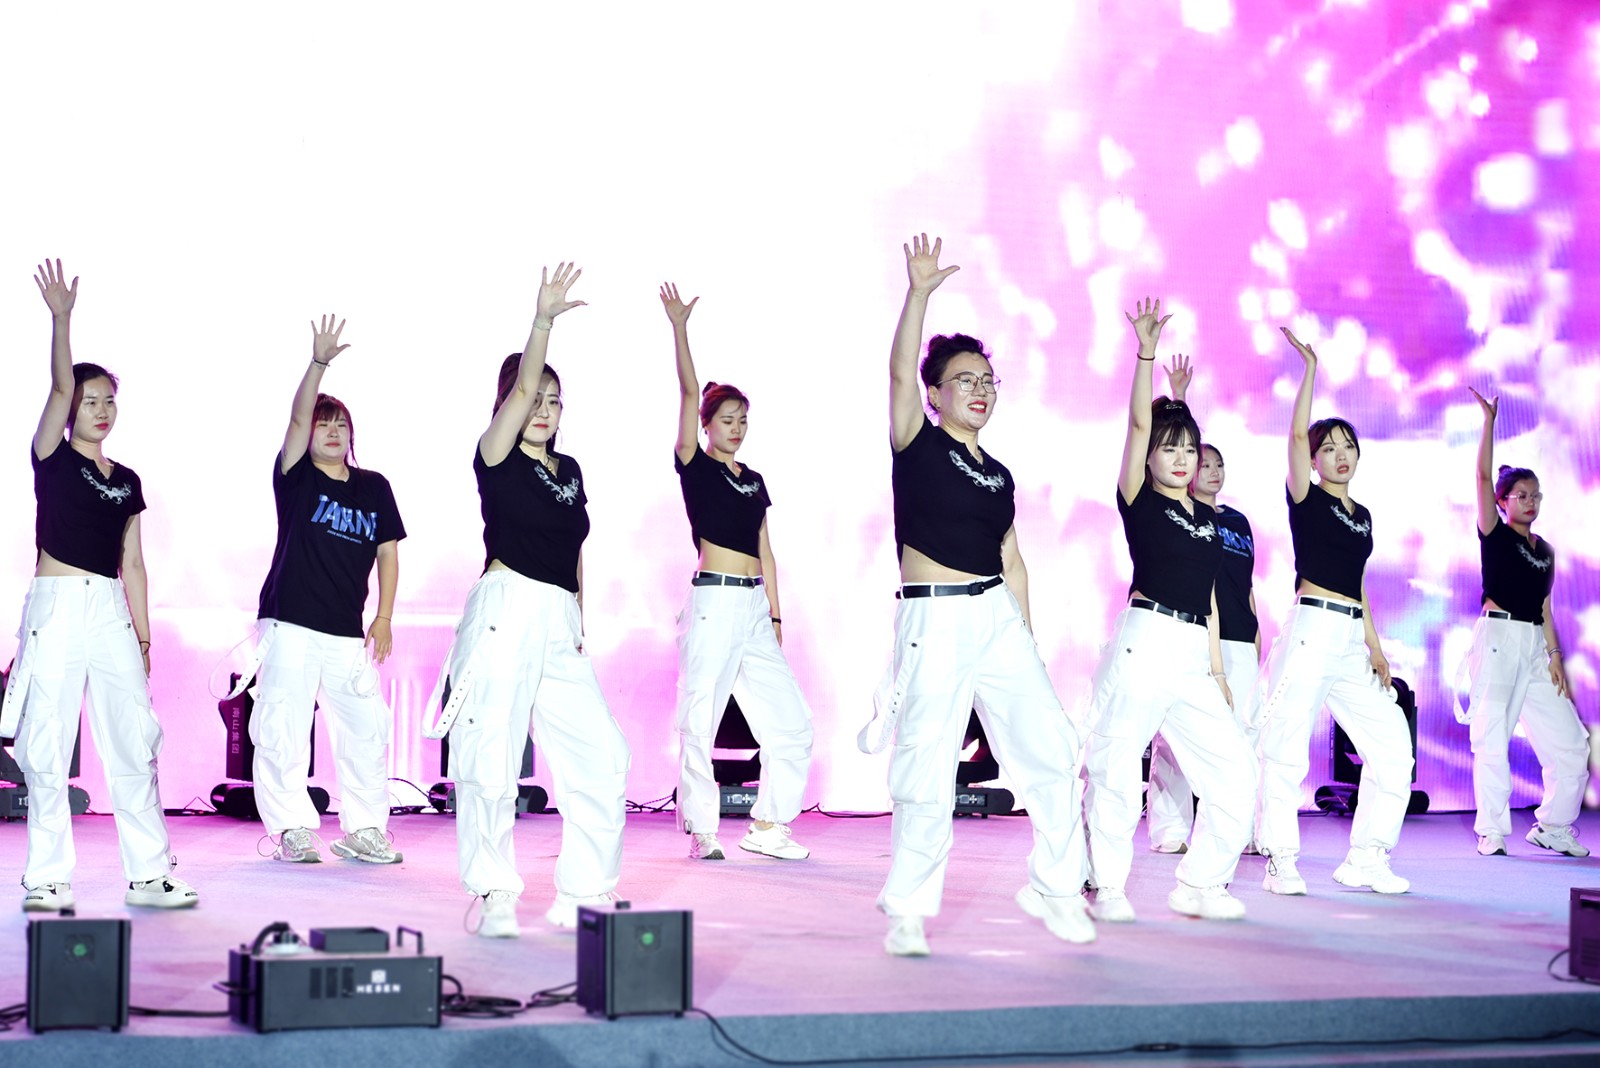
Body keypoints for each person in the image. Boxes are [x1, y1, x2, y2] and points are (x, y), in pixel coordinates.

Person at [871, 234, 1094, 957]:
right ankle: (909, 909)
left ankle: (1057, 888)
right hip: (934, 618)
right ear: (936, 395)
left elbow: (1013, 560)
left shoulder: (999, 475)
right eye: (964, 380)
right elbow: (898, 371)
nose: (980, 389)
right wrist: (918, 294)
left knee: (1052, 749)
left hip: (997, 616)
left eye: (988, 380)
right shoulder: (917, 442)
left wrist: (1025, 639)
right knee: (927, 767)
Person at [424, 263, 631, 939]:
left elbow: (576, 547)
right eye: (533, 398)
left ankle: (584, 891)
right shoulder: (495, 456)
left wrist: (579, 620)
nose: (543, 410)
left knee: (602, 753)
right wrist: (542, 322)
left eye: (555, 401)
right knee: (490, 756)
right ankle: (494, 891)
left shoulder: (569, 471)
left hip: (559, 620)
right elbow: (518, 395)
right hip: (505, 610)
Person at [4, 259, 197, 911]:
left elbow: (133, 563)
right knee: (47, 742)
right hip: (57, 606)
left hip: (110, 609)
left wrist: (142, 637)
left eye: (109, 400)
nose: (101, 409)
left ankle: (149, 874)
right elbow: (59, 386)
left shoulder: (127, 479)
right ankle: (47, 877)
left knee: (134, 740)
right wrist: (62, 320)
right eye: (91, 401)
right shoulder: (52, 458)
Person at [1080, 306, 1256, 923]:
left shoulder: (1208, 516)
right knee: (1116, 770)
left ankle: (1202, 883)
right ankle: (1108, 886)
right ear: (1148, 457)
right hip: (1144, 640)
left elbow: (1209, 598)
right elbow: (1138, 424)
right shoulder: (1139, 499)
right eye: (1168, 448)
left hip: (1192, 654)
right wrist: (1147, 357)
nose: (1181, 459)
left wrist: (1217, 668)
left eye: (1189, 449)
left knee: (1236, 772)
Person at [1254, 327, 1415, 896]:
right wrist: (1310, 372)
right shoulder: (1307, 498)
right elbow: (1295, 434)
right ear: (1314, 459)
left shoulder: (1363, 515)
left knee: (1393, 746)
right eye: (1329, 448)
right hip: (1311, 628)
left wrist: (1374, 646)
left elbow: (1359, 583)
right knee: (1286, 744)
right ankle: (1280, 858)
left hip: (1349, 636)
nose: (1340, 455)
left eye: (1348, 446)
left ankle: (1367, 857)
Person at [660, 283, 814, 862]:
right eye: (727, 419)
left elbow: (766, 550)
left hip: (752, 606)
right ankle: (702, 829)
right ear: (707, 424)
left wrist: (775, 613)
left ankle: (769, 823)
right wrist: (680, 328)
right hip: (713, 602)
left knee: (791, 721)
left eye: (743, 420)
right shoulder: (695, 466)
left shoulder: (753, 479)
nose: (737, 428)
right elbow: (687, 389)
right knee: (699, 717)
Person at [245, 315, 406, 865]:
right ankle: (291, 828)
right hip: (289, 620)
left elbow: (387, 552)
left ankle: (365, 828)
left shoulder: (374, 487)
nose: (332, 432)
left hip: (345, 630)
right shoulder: (297, 477)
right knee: (284, 728)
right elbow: (295, 418)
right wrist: (317, 364)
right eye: (323, 424)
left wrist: (383, 616)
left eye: (340, 425)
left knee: (366, 729)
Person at [1459, 387, 1590, 858]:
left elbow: (1546, 609)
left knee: (1572, 742)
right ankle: (1492, 830)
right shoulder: (1494, 534)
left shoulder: (1546, 550)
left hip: (1535, 644)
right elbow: (1480, 475)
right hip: (1498, 638)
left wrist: (1554, 656)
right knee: (1492, 736)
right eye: (1522, 495)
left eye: (1536, 495)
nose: (1531, 501)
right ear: (1502, 502)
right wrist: (1489, 423)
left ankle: (1553, 825)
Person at [1145, 356, 1262, 855]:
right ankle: (1170, 827)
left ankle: (1237, 828)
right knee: (1175, 738)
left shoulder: (1237, 520)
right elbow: (1169, 440)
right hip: (1193, 635)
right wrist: (1178, 396)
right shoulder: (1185, 515)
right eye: (1201, 461)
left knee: (1241, 735)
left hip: (1239, 640)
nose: (1209, 469)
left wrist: (1256, 634)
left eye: (1216, 464)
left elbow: (1246, 582)